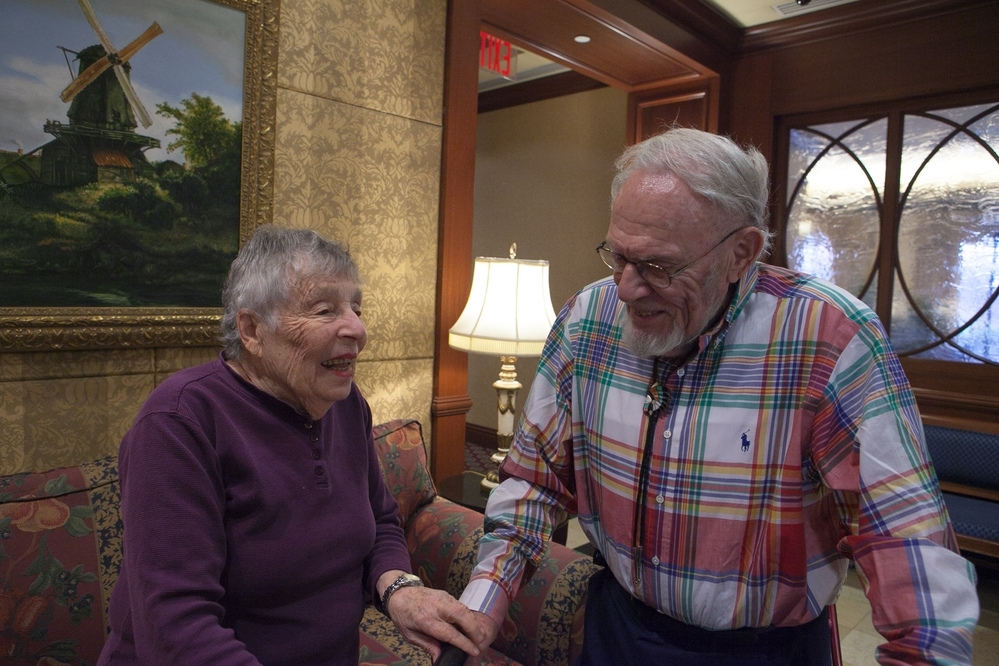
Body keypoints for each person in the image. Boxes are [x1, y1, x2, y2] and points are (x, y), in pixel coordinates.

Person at [459, 128, 980, 665]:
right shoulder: (586, 322)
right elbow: (533, 481)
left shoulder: (829, 340)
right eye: (617, 258)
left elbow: (908, 545)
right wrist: (482, 603)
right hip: (618, 631)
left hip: (765, 652)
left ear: (741, 253)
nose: (626, 289)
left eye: (659, 267)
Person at [99, 225, 483, 665]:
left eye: (356, 308)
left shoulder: (344, 402)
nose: (357, 329)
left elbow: (379, 518)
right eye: (325, 310)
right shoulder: (179, 423)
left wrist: (399, 589)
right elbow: (176, 626)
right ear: (251, 329)